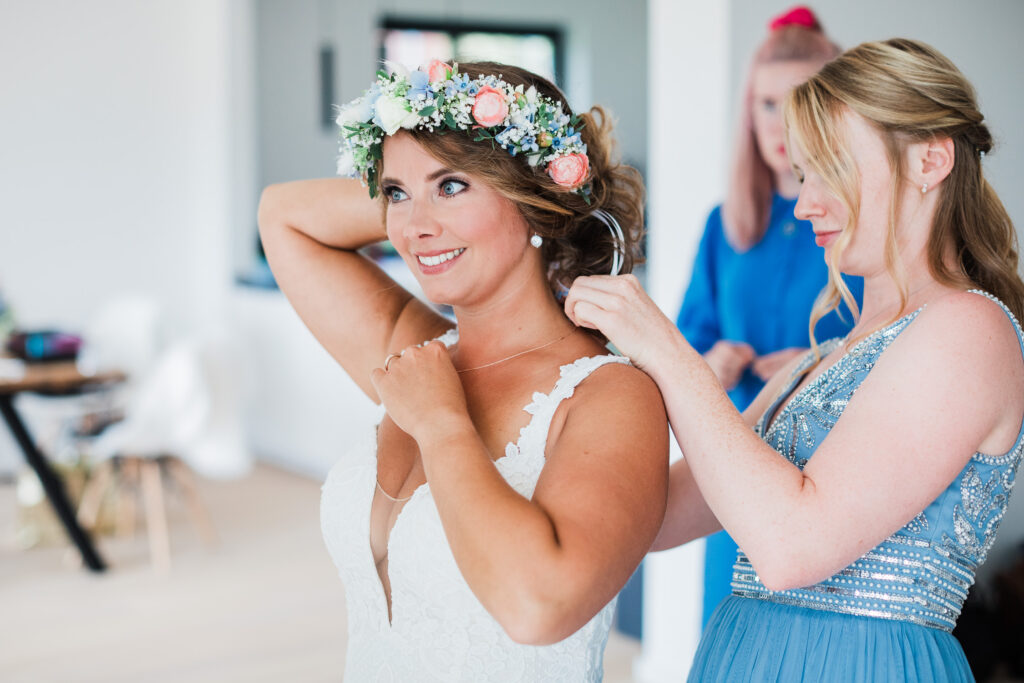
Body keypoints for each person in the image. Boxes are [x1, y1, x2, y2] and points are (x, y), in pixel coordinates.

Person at [565, 38, 1024, 680]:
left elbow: (789, 547)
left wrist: (668, 350)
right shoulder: (817, 361)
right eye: (802, 174)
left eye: (831, 166)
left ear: (931, 159)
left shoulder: (969, 329)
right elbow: (655, 517)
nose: (805, 202)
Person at [258, 60, 668, 681]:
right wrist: (427, 199)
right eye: (394, 192)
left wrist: (444, 425)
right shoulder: (416, 351)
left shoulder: (610, 396)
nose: (415, 227)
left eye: (453, 186)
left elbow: (538, 609)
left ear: (535, 199)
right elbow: (280, 213)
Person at [678, 4, 865, 625]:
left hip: (834, 477)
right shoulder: (722, 227)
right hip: (736, 468)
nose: (780, 123)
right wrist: (715, 363)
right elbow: (684, 346)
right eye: (765, 104)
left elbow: (897, 341)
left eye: (800, 101)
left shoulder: (865, 229)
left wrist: (821, 362)